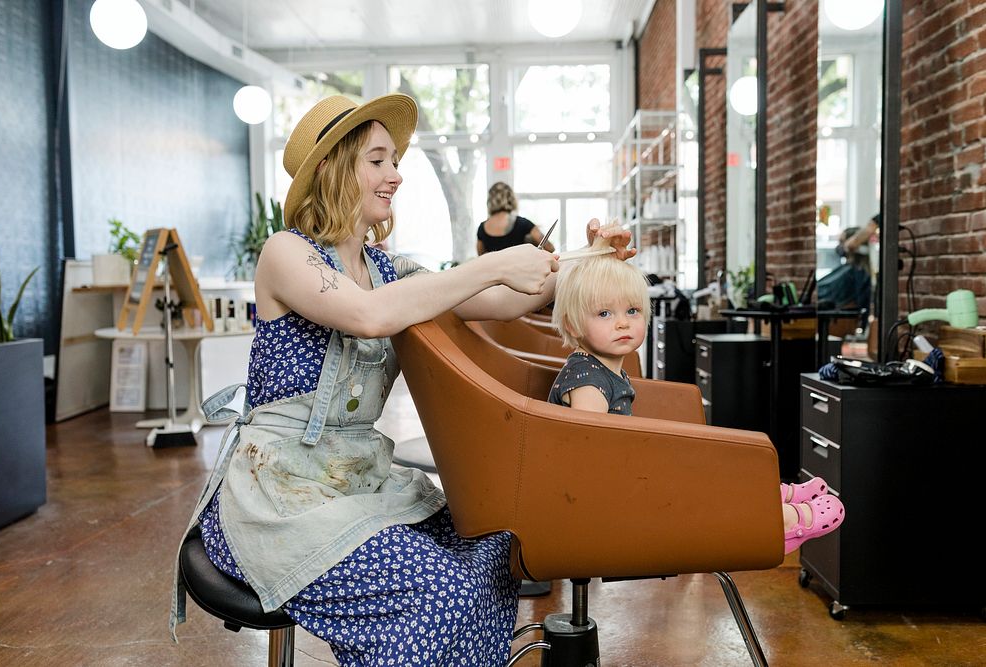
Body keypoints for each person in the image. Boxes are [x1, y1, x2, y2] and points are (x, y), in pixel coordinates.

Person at [169, 92, 634, 665]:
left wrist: (590, 257)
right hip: (283, 487)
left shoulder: (389, 267)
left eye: (394, 160)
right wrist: (495, 261)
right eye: (379, 160)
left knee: (494, 551)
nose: (396, 174)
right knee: (441, 591)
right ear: (334, 167)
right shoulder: (286, 253)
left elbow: (509, 299)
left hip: (358, 476)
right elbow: (370, 314)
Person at [547, 254, 845, 555]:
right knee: (697, 478)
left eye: (632, 310)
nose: (623, 322)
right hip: (600, 503)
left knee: (704, 461)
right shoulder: (585, 379)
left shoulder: (601, 367)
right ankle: (783, 520)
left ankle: (768, 496)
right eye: (604, 314)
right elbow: (593, 453)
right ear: (573, 324)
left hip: (622, 482)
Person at [476, 181, 555, 254]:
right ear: (511, 199)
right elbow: (550, 248)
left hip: (494, 269)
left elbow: (481, 258)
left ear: (490, 201)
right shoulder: (523, 223)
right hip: (520, 268)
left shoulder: (482, 228)